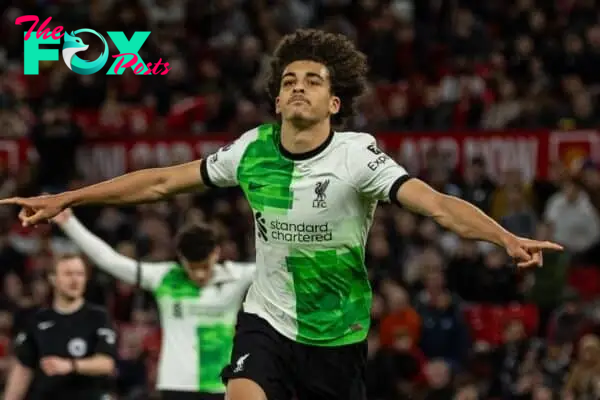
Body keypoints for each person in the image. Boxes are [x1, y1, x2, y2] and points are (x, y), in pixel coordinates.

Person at [0, 29, 563, 400]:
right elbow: (164, 182)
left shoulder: (357, 156)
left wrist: (501, 237)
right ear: (276, 101)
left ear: (333, 103)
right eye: (289, 81)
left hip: (337, 335)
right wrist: (70, 198)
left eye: (313, 81)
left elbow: (437, 206)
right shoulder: (251, 150)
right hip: (265, 319)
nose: (299, 87)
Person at [51, 208, 255, 400]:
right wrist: (69, 223)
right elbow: (110, 260)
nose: (199, 274)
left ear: (216, 254)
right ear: (181, 258)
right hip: (177, 386)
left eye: (204, 266)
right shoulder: (164, 277)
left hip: (223, 385)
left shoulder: (237, 276)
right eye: (192, 268)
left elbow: (281, 263)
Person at [4, 253, 117, 400]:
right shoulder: (37, 320)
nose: (75, 280)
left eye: (80, 274)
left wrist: (71, 365)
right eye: (68, 274)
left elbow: (106, 363)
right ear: (53, 279)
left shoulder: (98, 317)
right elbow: (23, 369)